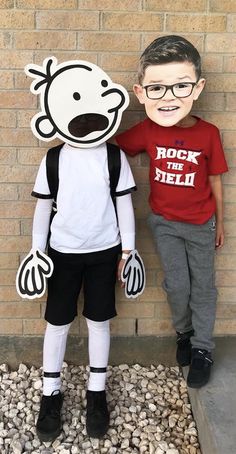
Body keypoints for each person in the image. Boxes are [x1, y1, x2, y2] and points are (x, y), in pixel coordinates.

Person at [16, 58, 138, 442]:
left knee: (100, 320)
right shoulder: (53, 159)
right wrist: (37, 251)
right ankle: (50, 393)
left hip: (105, 252)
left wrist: (128, 252)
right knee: (57, 322)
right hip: (62, 253)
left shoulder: (114, 157)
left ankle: (96, 392)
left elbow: (124, 205)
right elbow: (41, 207)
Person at [115, 35, 228, 388]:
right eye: (158, 89)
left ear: (197, 88)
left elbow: (215, 180)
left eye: (180, 86)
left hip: (201, 224)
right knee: (177, 285)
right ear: (142, 92)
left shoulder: (209, 133)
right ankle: (184, 331)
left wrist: (220, 222)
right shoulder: (148, 130)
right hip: (164, 224)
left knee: (204, 288)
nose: (170, 98)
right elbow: (113, 144)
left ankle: (202, 349)